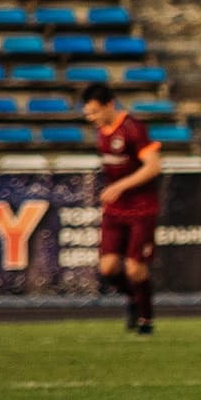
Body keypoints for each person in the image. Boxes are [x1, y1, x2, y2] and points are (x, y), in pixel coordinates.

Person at [80, 83, 162, 335]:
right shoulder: (102, 132)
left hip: (142, 208)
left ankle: (146, 319)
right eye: (88, 114)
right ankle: (135, 298)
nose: (92, 118)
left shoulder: (132, 128)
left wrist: (121, 186)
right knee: (108, 268)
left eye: (95, 112)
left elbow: (153, 166)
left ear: (109, 105)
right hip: (116, 210)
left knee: (136, 269)